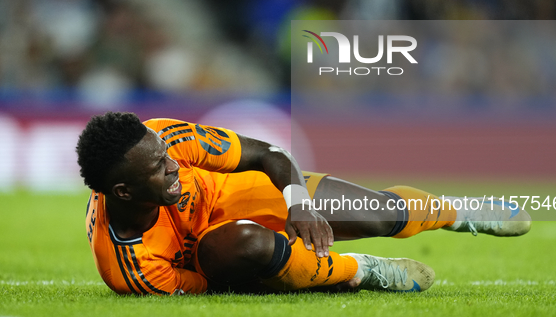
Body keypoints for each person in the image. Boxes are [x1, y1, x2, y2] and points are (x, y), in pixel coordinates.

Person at [77, 112, 531, 296]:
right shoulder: (129, 266)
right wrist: (319, 272)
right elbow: (220, 290)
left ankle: (457, 211)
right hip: (214, 249)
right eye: (158, 169)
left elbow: (267, 156)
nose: (172, 165)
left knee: (379, 214)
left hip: (235, 193)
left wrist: (299, 206)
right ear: (123, 192)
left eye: (167, 157)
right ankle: (363, 270)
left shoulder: (168, 139)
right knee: (235, 249)